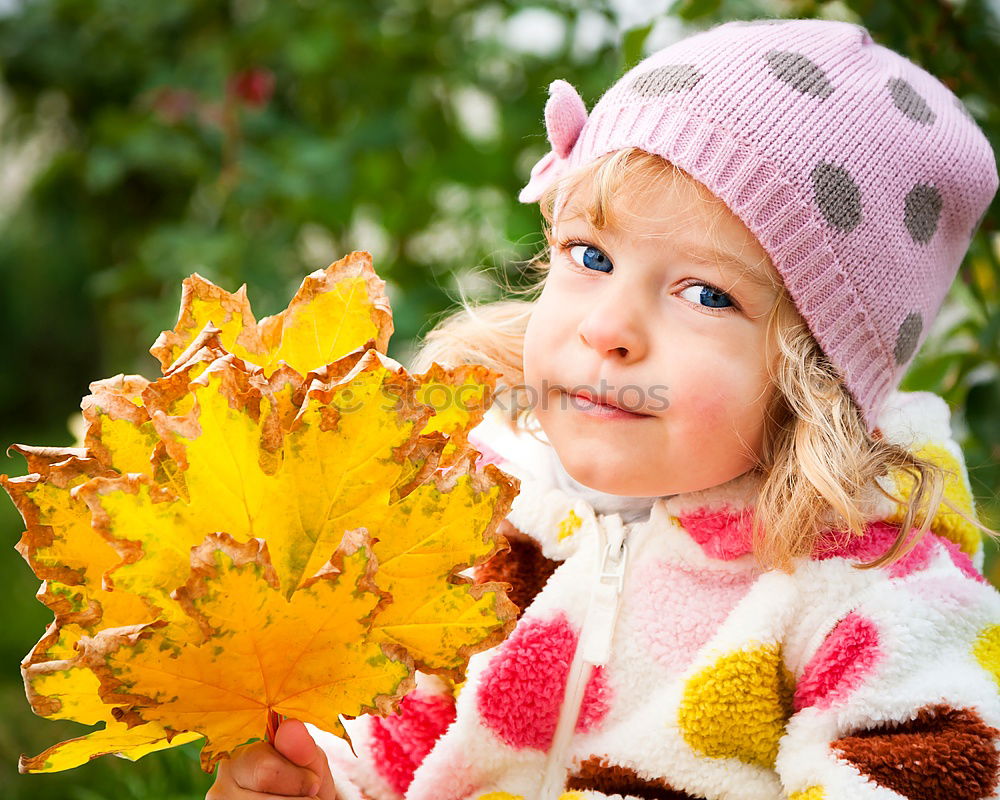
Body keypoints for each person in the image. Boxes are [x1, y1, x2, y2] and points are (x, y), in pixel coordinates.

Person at [207, 17, 1000, 800]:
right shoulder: (487, 513)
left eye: (706, 294)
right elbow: (397, 746)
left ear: (818, 380)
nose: (608, 327)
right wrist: (325, 788)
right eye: (591, 256)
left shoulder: (874, 591)